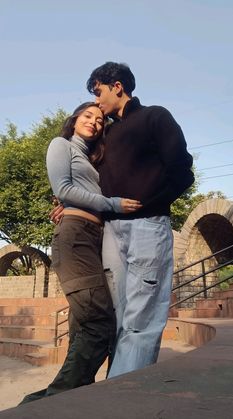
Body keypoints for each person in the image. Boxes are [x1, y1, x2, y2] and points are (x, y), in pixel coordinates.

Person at [19, 102, 141, 404]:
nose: (95, 123)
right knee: (98, 324)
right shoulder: (61, 145)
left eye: (100, 121)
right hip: (75, 238)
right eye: (88, 116)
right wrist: (113, 204)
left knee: (83, 327)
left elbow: (80, 192)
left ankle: (67, 401)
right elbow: (64, 189)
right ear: (74, 120)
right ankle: (47, 403)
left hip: (95, 238)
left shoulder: (91, 157)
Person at [85, 62, 195, 378]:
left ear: (117, 86)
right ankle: (117, 394)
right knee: (120, 318)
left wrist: (148, 204)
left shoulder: (155, 117)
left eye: (99, 92)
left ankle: (119, 403)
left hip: (148, 227)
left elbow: (182, 172)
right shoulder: (106, 133)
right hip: (111, 234)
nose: (97, 101)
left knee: (141, 321)